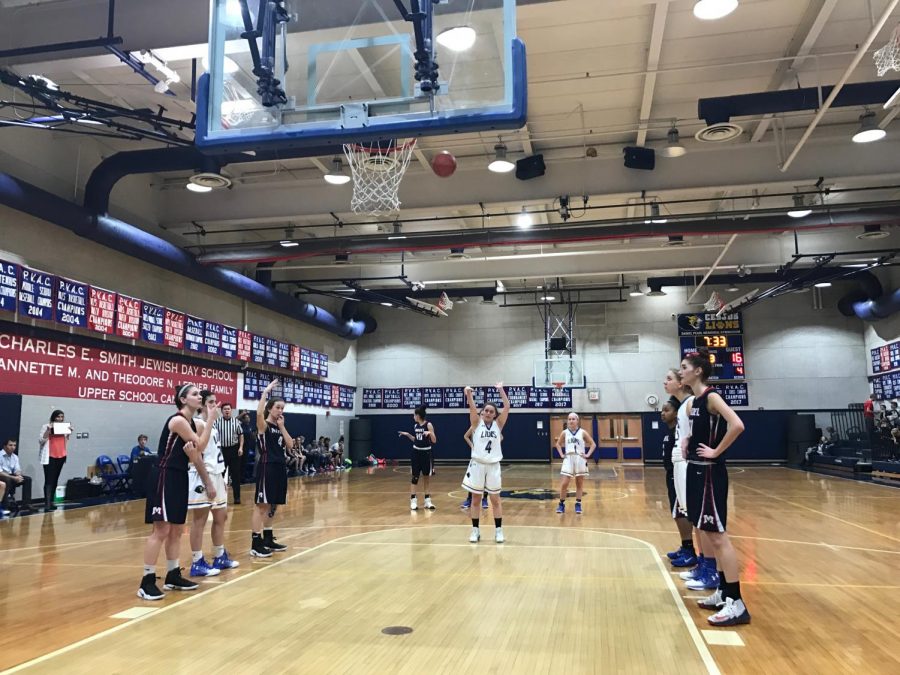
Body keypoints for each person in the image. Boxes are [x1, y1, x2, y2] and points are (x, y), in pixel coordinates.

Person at [680, 349, 750, 626]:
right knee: (708, 533)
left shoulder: (711, 396)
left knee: (719, 537)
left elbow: (737, 424)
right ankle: (723, 592)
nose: (681, 370)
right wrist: (688, 442)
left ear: (698, 371)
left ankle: (736, 602)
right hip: (697, 471)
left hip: (710, 474)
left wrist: (716, 451)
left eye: (684, 367)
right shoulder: (696, 401)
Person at [138, 384, 218, 600]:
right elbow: (200, 446)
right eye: (194, 394)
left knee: (176, 530)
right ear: (183, 400)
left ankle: (173, 574)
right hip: (164, 475)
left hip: (179, 476)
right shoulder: (178, 420)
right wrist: (211, 418)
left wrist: (207, 481)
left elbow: (197, 454)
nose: (199, 396)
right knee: (161, 530)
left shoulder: (192, 423)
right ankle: (146, 581)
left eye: (200, 393)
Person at [188, 390, 239, 577]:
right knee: (199, 520)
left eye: (216, 402)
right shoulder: (198, 424)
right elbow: (197, 455)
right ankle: (197, 561)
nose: (215, 406)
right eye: (211, 402)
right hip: (203, 476)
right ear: (201, 406)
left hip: (217, 474)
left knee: (221, 517)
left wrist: (222, 479)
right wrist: (208, 482)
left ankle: (219, 555)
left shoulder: (213, 425)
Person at [462, 383, 510, 544]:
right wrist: (468, 394)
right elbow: (471, 407)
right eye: (486, 410)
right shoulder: (476, 423)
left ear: (495, 414)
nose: (488, 413)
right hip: (477, 465)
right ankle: (475, 530)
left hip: (493, 466)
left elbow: (507, 405)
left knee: (495, 500)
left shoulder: (498, 425)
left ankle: (499, 531)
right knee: (476, 499)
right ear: (482, 413)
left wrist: (500, 389)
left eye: (491, 411)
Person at [251, 379, 292, 558]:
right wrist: (265, 392)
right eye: (277, 407)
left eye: (282, 408)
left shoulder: (279, 426)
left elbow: (290, 445)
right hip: (267, 466)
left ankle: (268, 538)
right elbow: (259, 413)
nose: (280, 411)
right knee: (262, 505)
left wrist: (283, 427)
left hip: (279, 467)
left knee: (273, 505)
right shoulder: (264, 425)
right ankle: (255, 542)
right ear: (270, 408)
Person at [664, 368, 699, 569]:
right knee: (682, 510)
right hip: (677, 465)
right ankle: (690, 550)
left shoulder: (691, 403)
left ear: (680, 383)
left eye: (669, 378)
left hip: (687, 463)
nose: (664, 382)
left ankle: (704, 561)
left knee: (692, 514)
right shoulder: (684, 405)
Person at [554, 412, 596, 514]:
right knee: (564, 484)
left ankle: (578, 504)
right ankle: (561, 504)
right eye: (569, 419)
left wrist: (587, 455)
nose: (571, 421)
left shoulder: (582, 432)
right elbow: (558, 444)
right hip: (568, 458)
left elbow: (593, 444)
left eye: (573, 419)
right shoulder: (564, 432)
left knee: (579, 483)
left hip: (579, 459)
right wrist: (561, 455)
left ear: (577, 421)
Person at [399, 407, 437, 511]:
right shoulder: (415, 426)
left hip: (426, 453)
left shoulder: (428, 425)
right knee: (415, 477)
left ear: (418, 415)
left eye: (414, 415)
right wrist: (408, 435)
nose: (413, 417)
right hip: (416, 452)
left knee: (426, 477)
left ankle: (427, 501)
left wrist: (430, 433)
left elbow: (434, 440)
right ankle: (413, 501)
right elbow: (416, 439)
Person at [38, 410, 71, 511]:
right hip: (49, 457)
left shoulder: (63, 427)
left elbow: (65, 441)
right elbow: (41, 441)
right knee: (49, 480)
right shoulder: (46, 426)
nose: (60, 419)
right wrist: (48, 430)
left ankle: (51, 502)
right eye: (58, 417)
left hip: (60, 456)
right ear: (54, 417)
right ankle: (47, 504)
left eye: (62, 417)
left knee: (55, 479)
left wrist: (69, 433)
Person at [215, 403, 244, 505]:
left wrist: (240, 447)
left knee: (236, 475)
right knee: (220, 474)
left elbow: (241, 435)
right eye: (225, 409)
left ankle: (237, 498)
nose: (227, 411)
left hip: (234, 450)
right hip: (222, 451)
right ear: (222, 411)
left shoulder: (236, 422)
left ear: (231, 410)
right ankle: (218, 497)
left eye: (228, 409)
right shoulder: (217, 422)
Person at [0, 439, 33, 514]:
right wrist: (13, 478)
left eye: (14, 445)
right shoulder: (0, 455)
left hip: (11, 476)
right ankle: (5, 506)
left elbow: (17, 469)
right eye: (10, 445)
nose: (13, 447)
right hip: (2, 475)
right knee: (7, 479)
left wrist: (18, 475)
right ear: (5, 446)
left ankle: (26, 504)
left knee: (27, 479)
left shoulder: (15, 457)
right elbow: (0, 472)